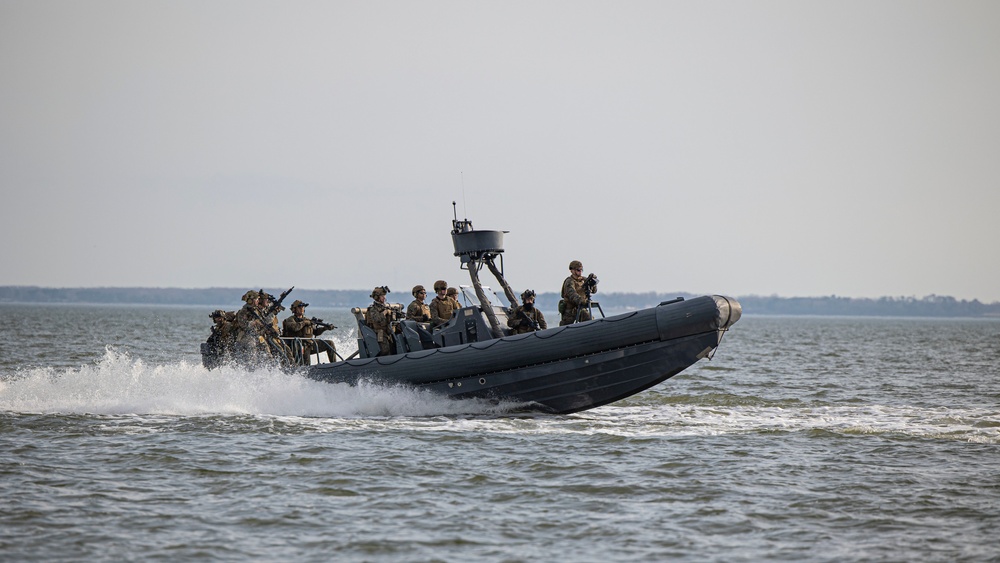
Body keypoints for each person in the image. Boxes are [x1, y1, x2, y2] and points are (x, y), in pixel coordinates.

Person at [283, 299, 336, 365]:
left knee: (330, 343)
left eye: (303, 307)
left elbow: (315, 332)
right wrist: (304, 323)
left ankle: (334, 364)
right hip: (299, 346)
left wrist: (325, 328)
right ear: (294, 309)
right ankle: (306, 371)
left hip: (310, 344)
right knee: (306, 362)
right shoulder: (290, 320)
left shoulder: (307, 320)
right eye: (300, 307)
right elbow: (295, 328)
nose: (302, 309)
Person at [365, 286, 397, 356]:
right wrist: (385, 312)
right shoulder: (373, 309)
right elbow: (377, 319)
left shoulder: (385, 307)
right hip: (379, 333)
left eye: (384, 296)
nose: (384, 298)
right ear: (377, 297)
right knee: (385, 350)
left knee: (393, 348)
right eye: (382, 296)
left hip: (388, 331)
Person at [560, 260, 591, 326]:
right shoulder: (569, 281)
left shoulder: (583, 280)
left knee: (588, 318)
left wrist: (592, 282)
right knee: (566, 327)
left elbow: (594, 290)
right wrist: (581, 300)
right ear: (572, 271)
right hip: (570, 310)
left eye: (581, 270)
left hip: (581, 308)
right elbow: (572, 294)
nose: (580, 272)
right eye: (578, 270)